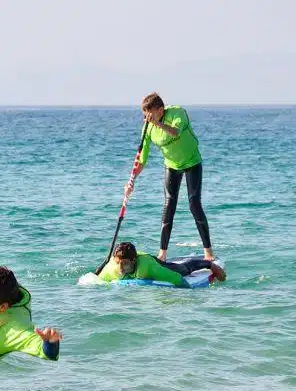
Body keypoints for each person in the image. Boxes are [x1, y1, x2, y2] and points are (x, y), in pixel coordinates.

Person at [125, 93, 215, 262]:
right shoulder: (148, 128)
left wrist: (158, 123)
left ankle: (208, 252)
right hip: (171, 166)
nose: (147, 118)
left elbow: (175, 132)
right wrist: (132, 181)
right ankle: (162, 254)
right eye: (144, 115)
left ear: (160, 110)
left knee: (194, 203)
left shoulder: (178, 113)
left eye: (150, 114)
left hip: (192, 162)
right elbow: (141, 159)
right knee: (169, 205)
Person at [97, 242, 226, 288]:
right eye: (118, 263)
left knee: (183, 269)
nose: (120, 268)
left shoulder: (147, 267)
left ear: (133, 261)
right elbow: (97, 281)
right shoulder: (112, 267)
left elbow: (177, 279)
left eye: (124, 264)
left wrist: (190, 294)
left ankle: (208, 264)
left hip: (151, 260)